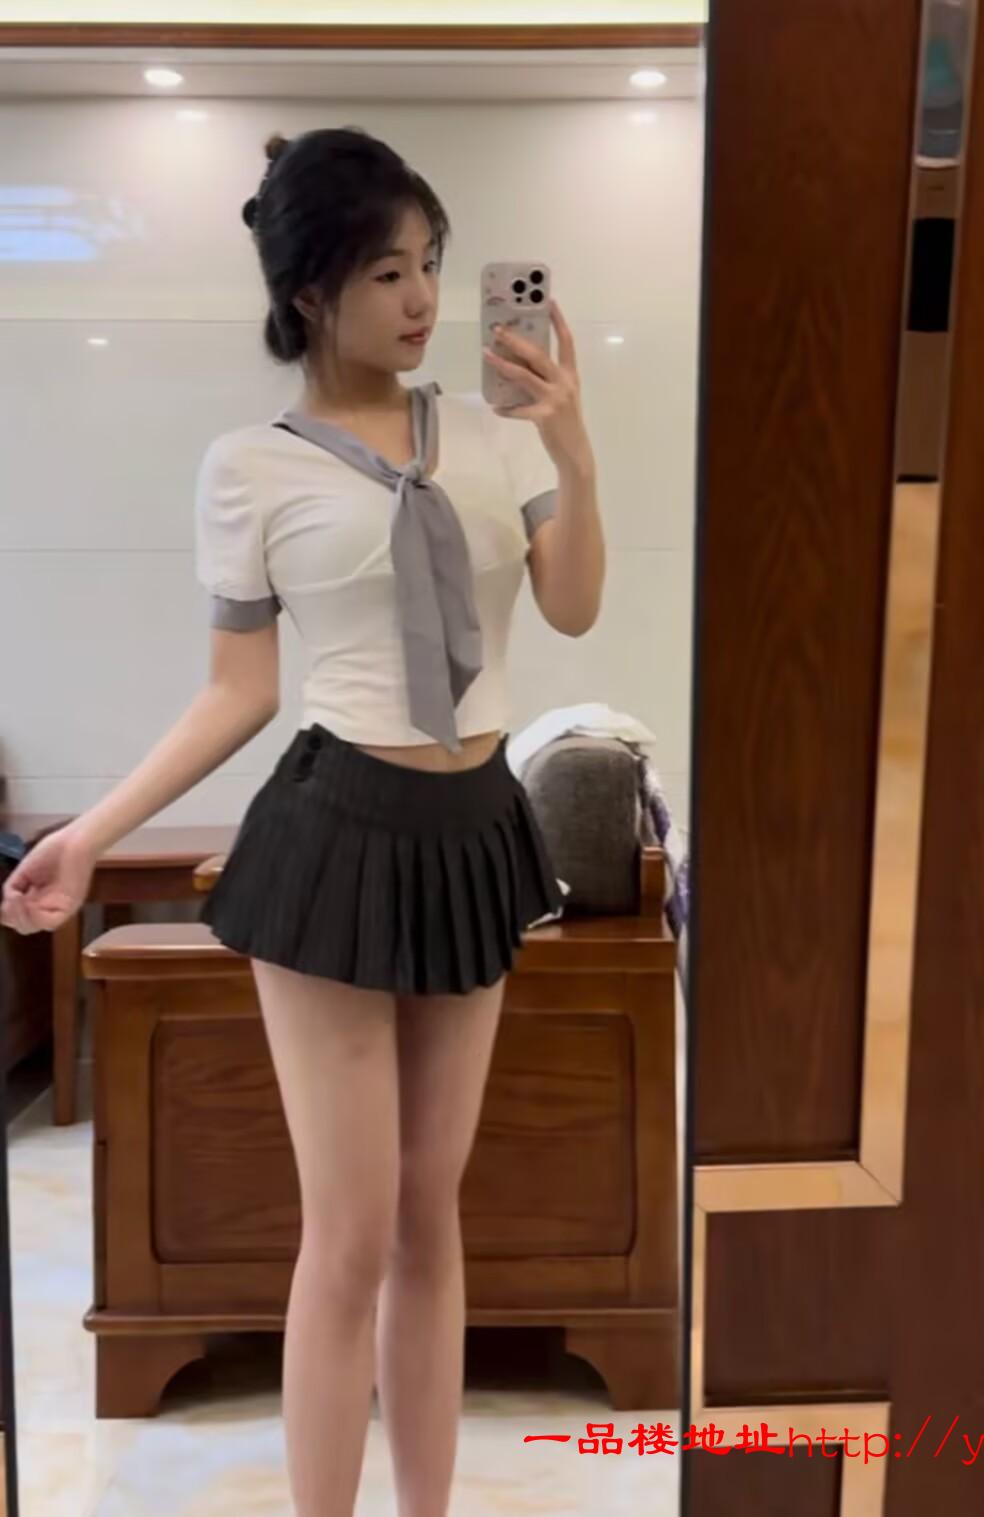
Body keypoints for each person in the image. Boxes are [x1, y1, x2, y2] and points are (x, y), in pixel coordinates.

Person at [1, 126, 605, 1517]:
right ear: (307, 293)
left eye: (431, 263)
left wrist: (571, 445)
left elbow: (570, 605)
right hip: (337, 833)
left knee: (431, 1214)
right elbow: (239, 691)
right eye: (387, 272)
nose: (422, 297)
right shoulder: (248, 467)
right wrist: (91, 835)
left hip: (474, 831)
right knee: (349, 1228)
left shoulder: (490, 435)